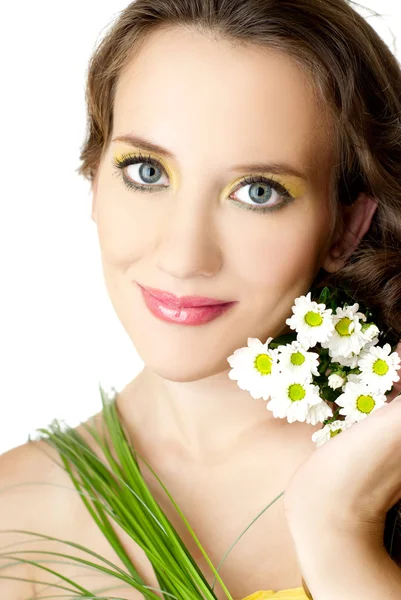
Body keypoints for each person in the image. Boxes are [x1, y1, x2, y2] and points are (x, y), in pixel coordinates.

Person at [1, 0, 401, 599]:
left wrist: (339, 529)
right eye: (146, 172)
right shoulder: (15, 524)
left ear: (346, 226)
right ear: (93, 179)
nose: (184, 256)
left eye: (258, 191)